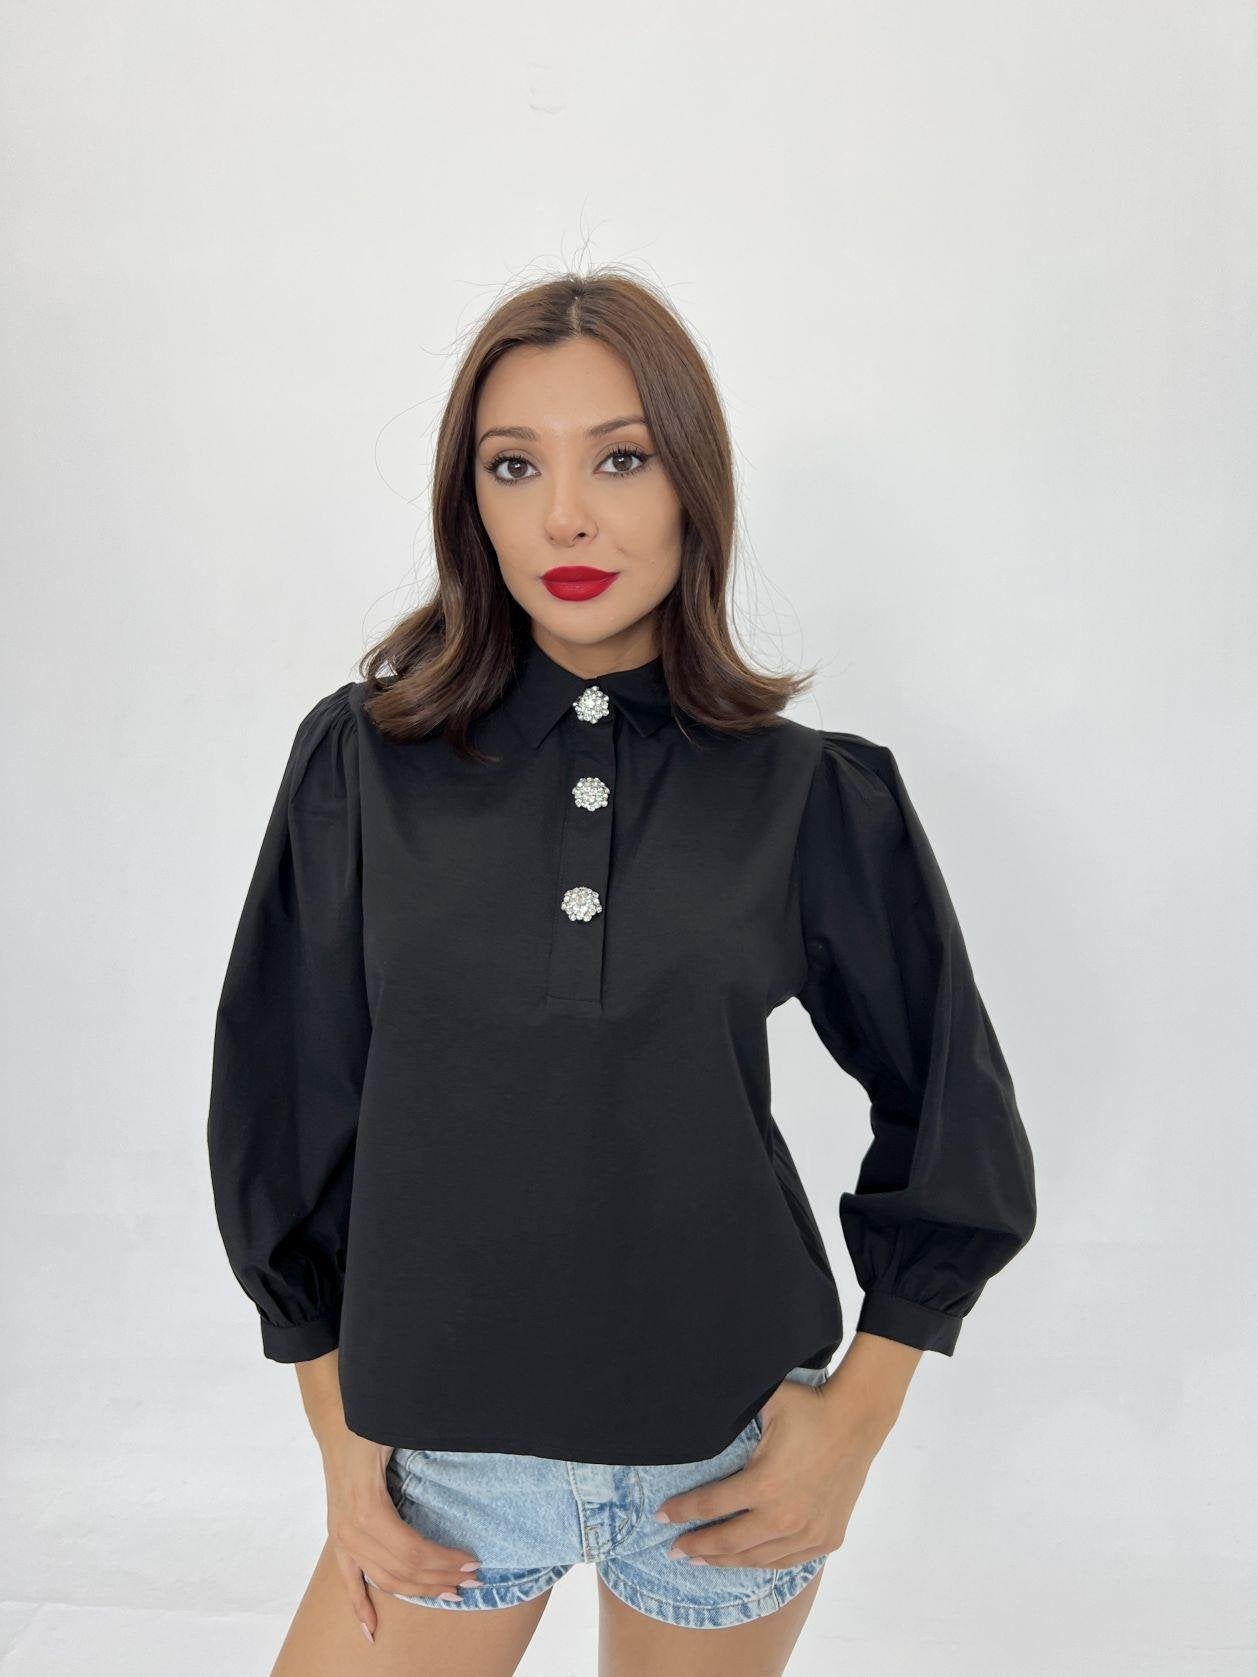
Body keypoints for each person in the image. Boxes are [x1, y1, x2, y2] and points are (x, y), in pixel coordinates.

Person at [206, 267, 1037, 1677]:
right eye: (513, 465)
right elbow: (285, 1104)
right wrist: (341, 1443)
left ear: (692, 484)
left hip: (727, 1463)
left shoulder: (808, 794)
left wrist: (856, 1420)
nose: (565, 518)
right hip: (435, 1464)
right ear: (469, 501)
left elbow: (951, 1107)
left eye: (620, 458)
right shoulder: (361, 766)